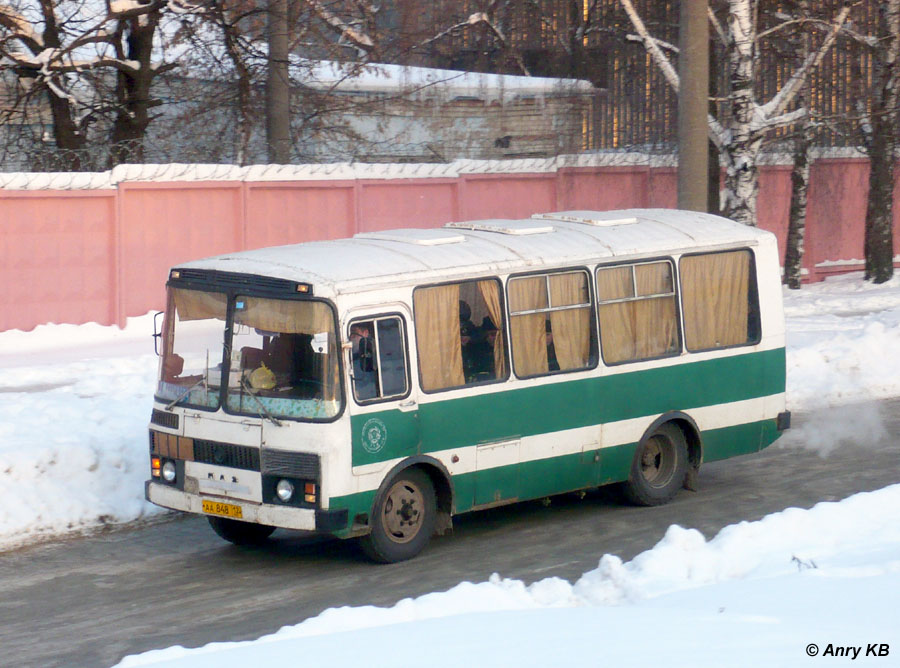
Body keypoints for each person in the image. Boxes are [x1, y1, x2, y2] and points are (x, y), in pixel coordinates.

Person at [350, 323, 377, 400]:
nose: (350, 337)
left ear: (365, 333)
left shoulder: (373, 353)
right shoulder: (351, 355)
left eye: (354, 333)